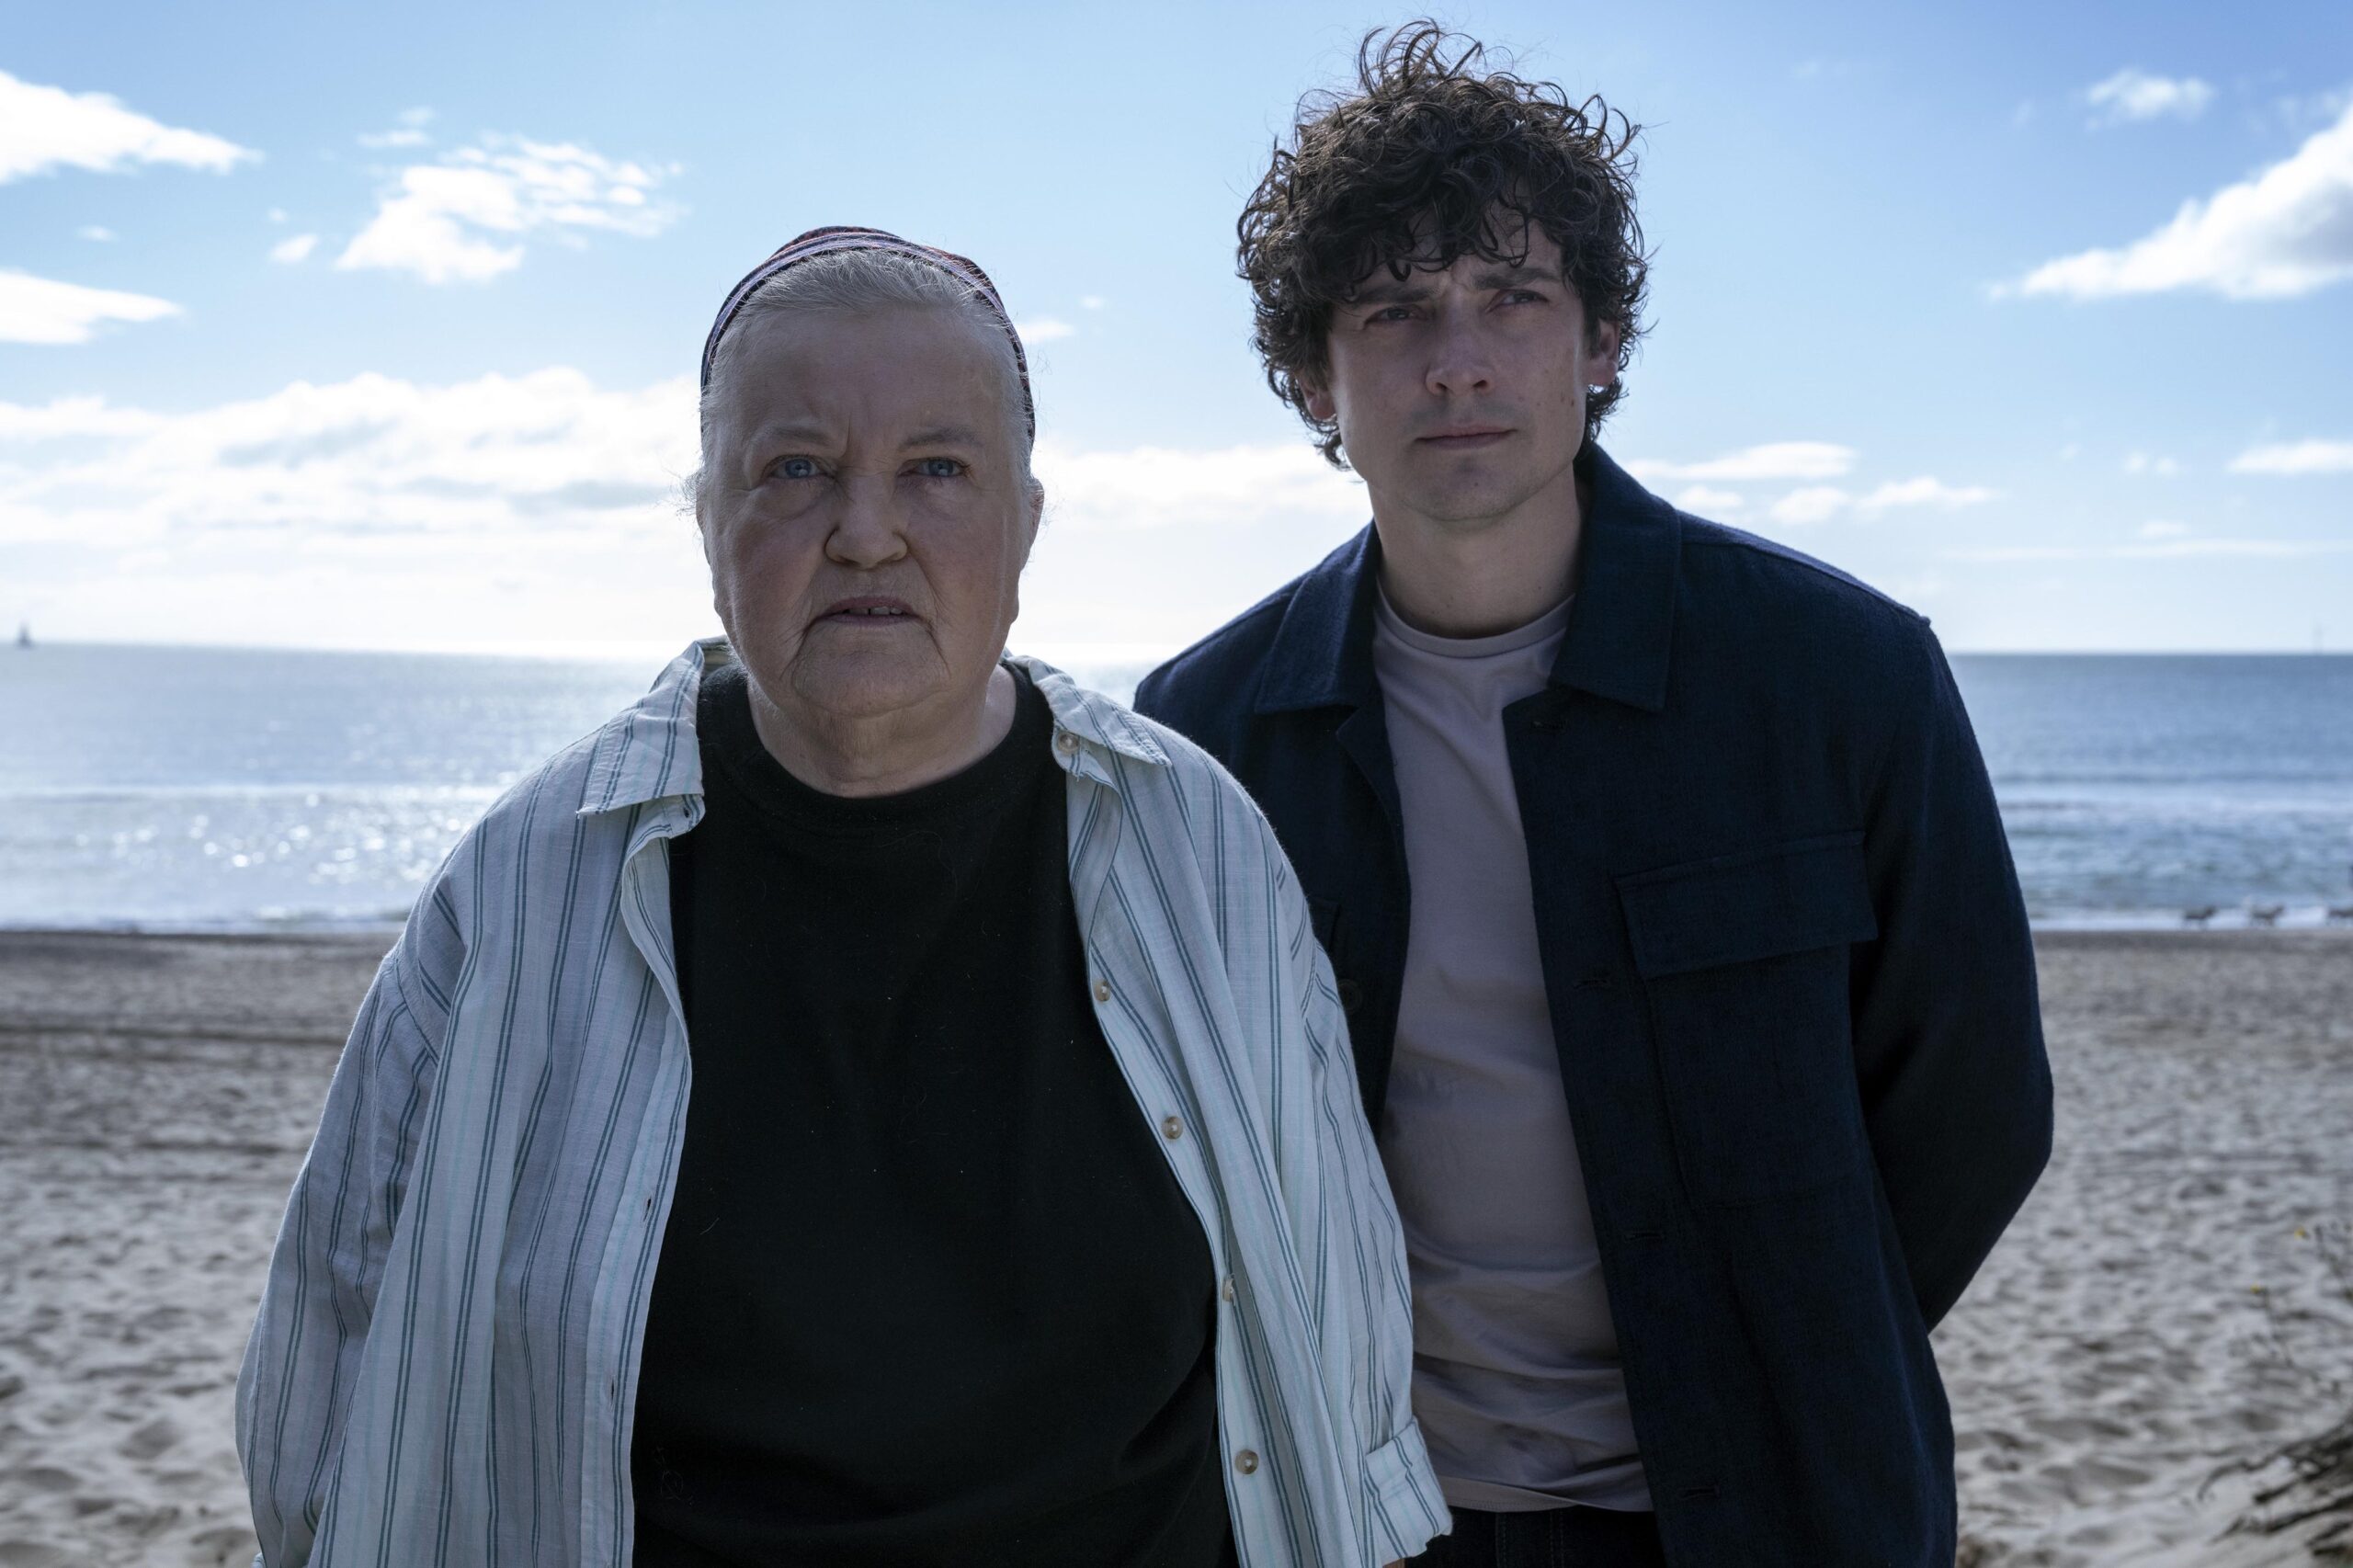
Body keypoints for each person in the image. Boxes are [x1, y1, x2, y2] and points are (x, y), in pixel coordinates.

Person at [237, 226, 1448, 1568]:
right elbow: (329, 1372)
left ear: (1024, 523)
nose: (867, 532)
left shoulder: (1196, 843)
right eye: (796, 469)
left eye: (936, 469)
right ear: (709, 519)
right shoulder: (529, 880)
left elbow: (1340, 1330)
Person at [1135, 27, 2053, 1568]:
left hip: (1772, 1508)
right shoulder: (1205, 737)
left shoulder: (1845, 677)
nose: (1459, 360)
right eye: (1396, 311)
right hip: (1358, 1517)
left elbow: (1977, 1107)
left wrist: (1788, 1346)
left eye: (1514, 297)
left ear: (1603, 338)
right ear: (1315, 373)